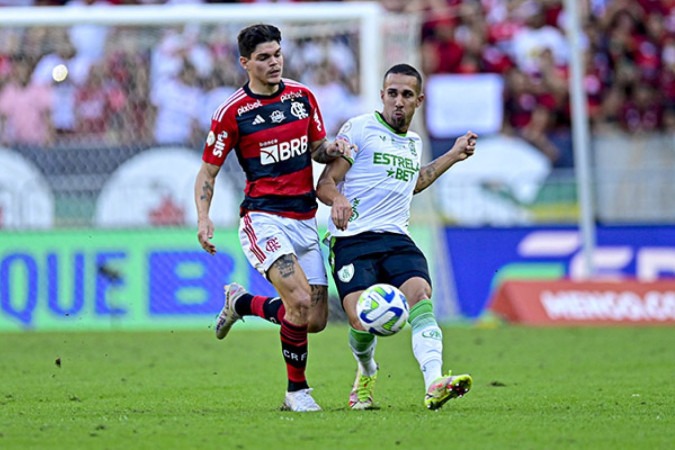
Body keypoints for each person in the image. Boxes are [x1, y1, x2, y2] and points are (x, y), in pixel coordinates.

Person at [194, 23, 351, 413]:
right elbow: (207, 172)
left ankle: (242, 303)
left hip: (305, 219)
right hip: (263, 218)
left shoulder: (302, 98)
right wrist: (203, 217)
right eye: (264, 57)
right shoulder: (233, 113)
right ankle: (297, 392)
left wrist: (333, 147)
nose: (274, 62)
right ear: (245, 63)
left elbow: (316, 149)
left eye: (277, 54)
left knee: (313, 319)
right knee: (297, 300)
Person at [316, 63, 476, 410]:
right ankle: (367, 369)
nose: (398, 101)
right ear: (382, 96)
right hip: (353, 239)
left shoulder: (414, 142)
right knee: (361, 318)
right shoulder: (360, 128)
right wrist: (339, 199)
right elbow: (325, 184)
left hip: (397, 237)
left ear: (419, 100)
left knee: (421, 296)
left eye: (406, 95)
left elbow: (413, 182)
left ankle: (434, 381)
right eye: (392, 94)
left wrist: (452, 154)